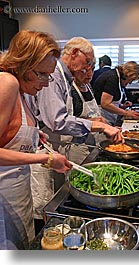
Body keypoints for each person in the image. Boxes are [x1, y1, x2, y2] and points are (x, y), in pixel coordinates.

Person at [0, 30, 72, 250]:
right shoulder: (7, 83)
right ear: (23, 64)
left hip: (17, 193)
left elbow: (8, 135)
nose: (46, 82)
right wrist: (45, 159)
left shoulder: (22, 90)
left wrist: (33, 136)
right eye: (41, 74)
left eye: (49, 75)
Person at [26, 37, 124, 162]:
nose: (87, 68)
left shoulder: (65, 77)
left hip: (58, 149)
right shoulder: (55, 75)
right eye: (87, 61)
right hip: (47, 151)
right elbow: (57, 121)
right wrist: (99, 126)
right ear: (74, 53)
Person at [92, 61, 139, 126]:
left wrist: (121, 106)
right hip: (101, 117)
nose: (130, 82)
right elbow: (105, 104)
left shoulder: (117, 77)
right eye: (131, 79)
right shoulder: (112, 78)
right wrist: (126, 113)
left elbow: (111, 100)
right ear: (129, 74)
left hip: (109, 117)